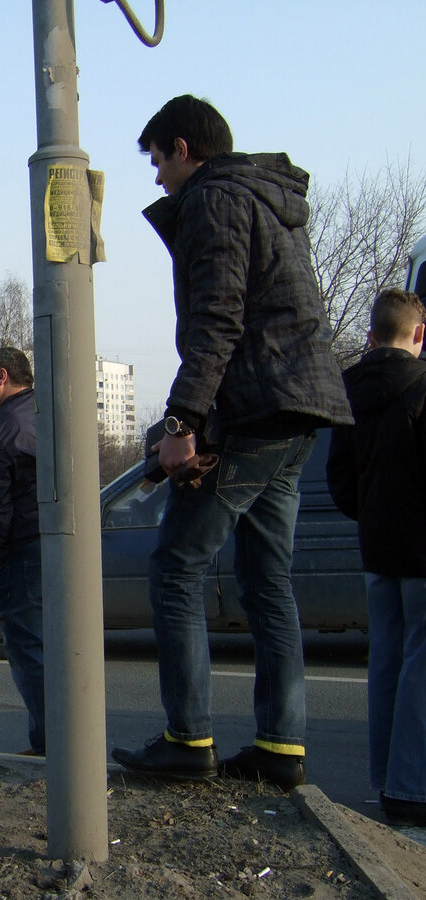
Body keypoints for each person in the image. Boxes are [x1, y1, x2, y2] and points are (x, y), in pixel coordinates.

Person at [110, 95, 352, 789]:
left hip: (257, 411)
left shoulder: (216, 200)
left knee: (176, 567)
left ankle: (188, 739)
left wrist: (183, 425)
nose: (158, 178)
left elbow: (219, 318)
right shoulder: (270, 199)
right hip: (300, 410)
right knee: (266, 580)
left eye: (158, 161)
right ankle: (281, 748)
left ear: (184, 148)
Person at [326, 288, 426, 827]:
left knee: (386, 658)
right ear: (418, 334)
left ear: (369, 335)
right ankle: (412, 786)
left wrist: (370, 514)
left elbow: (340, 477)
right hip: (421, 547)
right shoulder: (423, 387)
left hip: (377, 544)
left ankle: (385, 777)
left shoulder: (347, 391)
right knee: (421, 662)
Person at [0, 347, 46, 755]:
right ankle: (72, 744)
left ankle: (50, 747)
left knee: (30, 652)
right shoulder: (52, 412)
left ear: (1, 377)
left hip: (21, 553)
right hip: (63, 549)